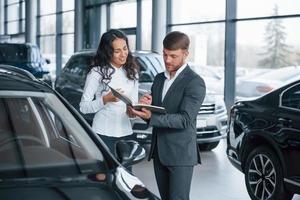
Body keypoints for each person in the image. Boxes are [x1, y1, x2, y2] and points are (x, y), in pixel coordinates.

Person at [130, 31, 206, 200]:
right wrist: (143, 107)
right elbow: (155, 113)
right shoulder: (158, 79)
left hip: (181, 155)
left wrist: (151, 117)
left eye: (173, 56)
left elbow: (185, 119)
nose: (167, 60)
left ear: (186, 54)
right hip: (159, 152)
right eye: (165, 54)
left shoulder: (195, 82)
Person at [79, 29, 138, 158]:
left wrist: (134, 112)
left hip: (126, 132)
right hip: (103, 133)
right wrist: (105, 100)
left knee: (126, 174)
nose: (123, 54)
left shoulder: (132, 72)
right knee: (107, 175)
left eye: (125, 48)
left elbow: (133, 106)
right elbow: (83, 107)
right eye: (117, 51)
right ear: (108, 52)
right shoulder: (96, 73)